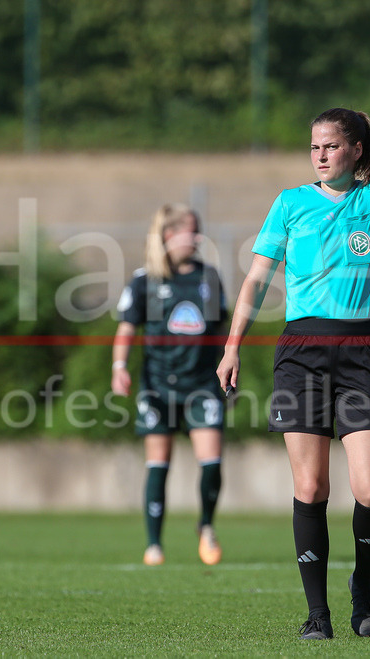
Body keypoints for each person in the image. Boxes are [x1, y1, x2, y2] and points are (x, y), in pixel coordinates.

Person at [217, 0, 370, 640]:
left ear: (355, 149)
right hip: (301, 350)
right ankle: (317, 614)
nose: (318, 155)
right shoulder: (289, 204)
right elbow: (258, 279)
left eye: (330, 145)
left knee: (369, 490)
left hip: (365, 351)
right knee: (310, 486)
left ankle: (362, 579)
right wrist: (232, 346)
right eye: (312, 146)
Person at [112, 204, 228, 566]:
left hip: (201, 384)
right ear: (168, 235)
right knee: (158, 465)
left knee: (211, 462)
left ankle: (205, 526)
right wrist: (119, 366)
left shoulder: (209, 277)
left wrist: (229, 365)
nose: (195, 238)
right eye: (189, 231)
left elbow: (222, 330)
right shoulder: (145, 280)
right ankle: (153, 545)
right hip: (158, 385)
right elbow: (127, 327)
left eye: (197, 231)